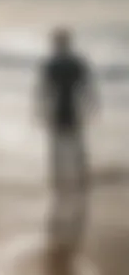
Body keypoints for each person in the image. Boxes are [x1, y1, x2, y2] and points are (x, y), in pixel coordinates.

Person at [36, 28, 98, 273]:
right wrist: (92, 107)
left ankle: (59, 181)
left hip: (59, 112)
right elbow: (89, 87)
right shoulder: (76, 62)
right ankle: (80, 179)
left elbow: (42, 91)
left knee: (58, 151)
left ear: (56, 42)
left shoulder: (51, 63)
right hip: (72, 111)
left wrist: (41, 110)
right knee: (76, 149)